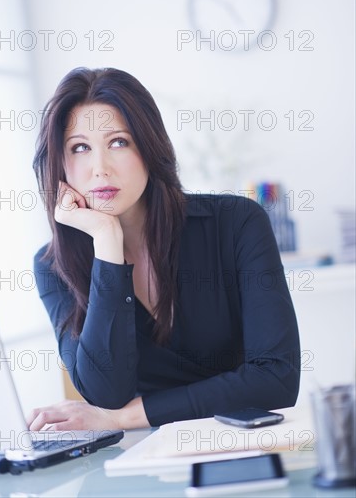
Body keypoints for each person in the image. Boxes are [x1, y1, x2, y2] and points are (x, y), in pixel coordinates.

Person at [29, 67, 300, 431]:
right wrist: (107, 242)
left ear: (149, 146)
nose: (100, 169)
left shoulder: (237, 223)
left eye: (119, 142)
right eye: (80, 148)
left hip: (246, 441)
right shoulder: (54, 266)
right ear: (60, 164)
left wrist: (126, 417)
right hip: (143, 458)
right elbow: (105, 393)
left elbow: (277, 380)